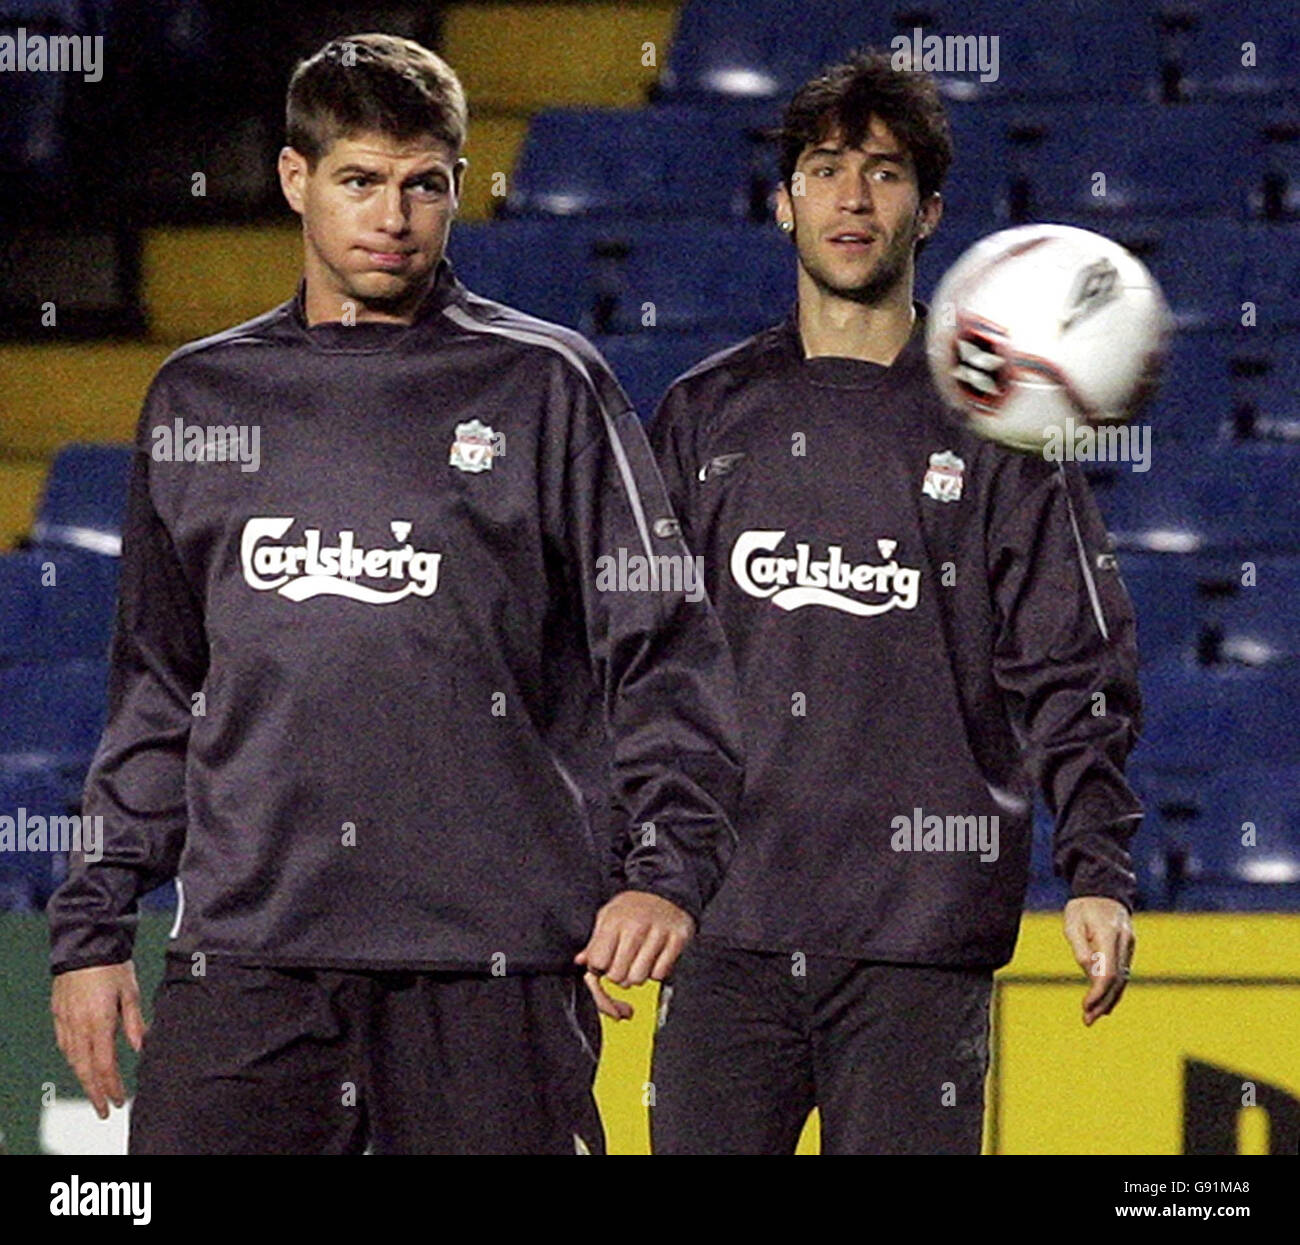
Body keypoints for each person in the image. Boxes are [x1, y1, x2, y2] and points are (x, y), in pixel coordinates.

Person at [47, 32, 744, 1156]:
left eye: (425, 184)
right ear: (294, 181)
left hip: (492, 966)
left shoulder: (546, 384)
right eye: (360, 181)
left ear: (459, 189)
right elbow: (158, 686)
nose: (394, 215)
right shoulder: (201, 395)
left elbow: (663, 645)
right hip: (251, 958)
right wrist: (91, 926)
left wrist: (666, 873)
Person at [646, 50, 1141, 1156]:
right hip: (726, 932)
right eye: (825, 169)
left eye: (882, 172)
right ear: (782, 205)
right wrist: (621, 879)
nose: (852, 198)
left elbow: (1073, 662)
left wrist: (1098, 866)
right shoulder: (701, 416)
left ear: (930, 210)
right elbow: (632, 665)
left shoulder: (1001, 423)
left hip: (918, 941)